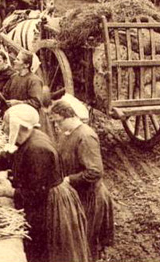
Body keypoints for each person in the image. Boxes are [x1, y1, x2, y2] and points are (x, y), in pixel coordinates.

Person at [0, 104, 90, 262]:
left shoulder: (37, 149)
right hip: (42, 200)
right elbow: (3, 159)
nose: (4, 128)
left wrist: (7, 192)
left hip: (50, 204)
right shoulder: (24, 138)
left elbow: (38, 193)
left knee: (46, 248)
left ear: (20, 125)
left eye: (7, 124)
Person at [49, 99, 114, 259]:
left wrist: (69, 180)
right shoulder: (67, 133)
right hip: (78, 196)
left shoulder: (85, 137)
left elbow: (95, 171)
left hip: (90, 198)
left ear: (68, 116)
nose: (57, 127)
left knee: (86, 240)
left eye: (58, 122)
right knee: (78, 241)